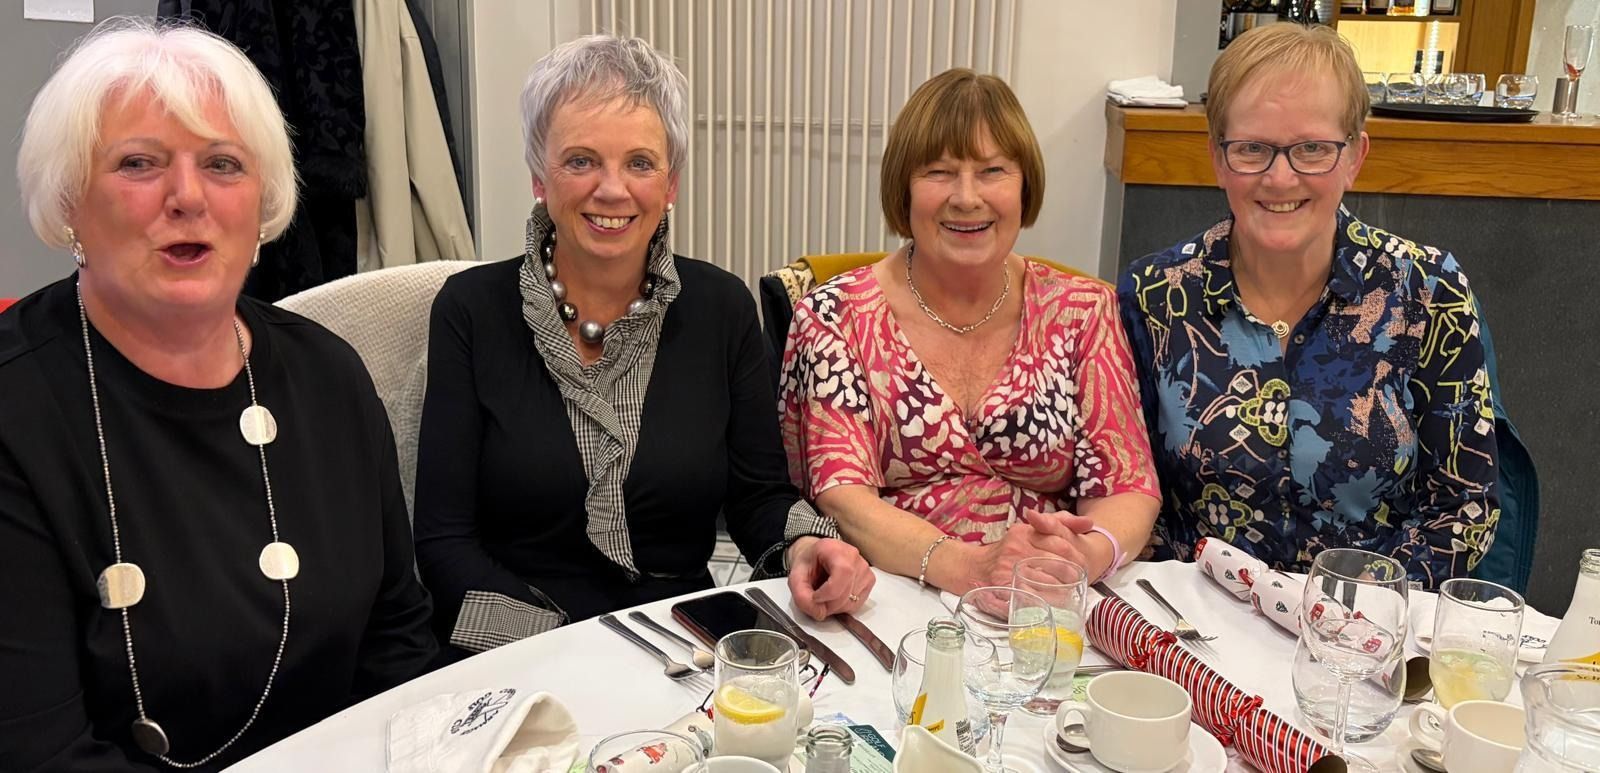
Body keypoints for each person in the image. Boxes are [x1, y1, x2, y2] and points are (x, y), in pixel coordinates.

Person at [0, 18, 436, 771]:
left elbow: (399, 641)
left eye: (223, 164)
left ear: (261, 202)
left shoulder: (329, 374)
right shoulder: (18, 409)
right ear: (69, 201)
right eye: (139, 163)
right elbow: (39, 752)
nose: (187, 196)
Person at [412, 35, 873, 659]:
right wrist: (568, 653)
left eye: (639, 163)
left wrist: (810, 546)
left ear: (671, 183)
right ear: (539, 176)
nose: (612, 189)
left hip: (682, 644)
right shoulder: (469, 310)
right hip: (521, 653)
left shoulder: (722, 308)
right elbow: (443, 542)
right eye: (580, 161)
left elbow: (758, 496)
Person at [1117, 23, 1498, 587]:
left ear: (1355, 156)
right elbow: (1123, 486)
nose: (1280, 177)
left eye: (1312, 149)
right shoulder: (1153, 294)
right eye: (1252, 149)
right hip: (1197, 618)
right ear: (1218, 158)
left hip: (1368, 619)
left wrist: (1359, 604)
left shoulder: (1427, 289)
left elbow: (1465, 507)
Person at [779, 68, 1161, 596]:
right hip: (886, 594)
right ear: (903, 188)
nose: (966, 197)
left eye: (992, 170)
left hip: (1048, 600)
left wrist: (1082, 557)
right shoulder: (835, 315)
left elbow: (1127, 484)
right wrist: (971, 567)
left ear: (1024, 185)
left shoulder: (1083, 310)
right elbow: (842, 496)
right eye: (938, 172)